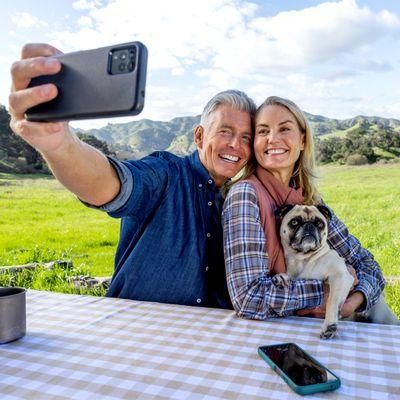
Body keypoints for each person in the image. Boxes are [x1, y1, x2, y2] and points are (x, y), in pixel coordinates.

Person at [9, 43, 256, 308]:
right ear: (198, 136)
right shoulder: (165, 174)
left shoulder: (238, 201)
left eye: (246, 137)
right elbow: (110, 184)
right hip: (136, 333)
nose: (235, 145)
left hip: (205, 341)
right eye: (225, 132)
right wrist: (60, 145)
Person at [222, 96, 385, 320]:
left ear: (302, 140)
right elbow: (248, 298)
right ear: (254, 143)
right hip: (278, 332)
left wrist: (354, 300)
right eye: (262, 131)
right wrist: (329, 290)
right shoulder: (246, 195)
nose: (272, 139)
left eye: (284, 129)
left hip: (335, 323)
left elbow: (367, 264)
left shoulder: (310, 201)